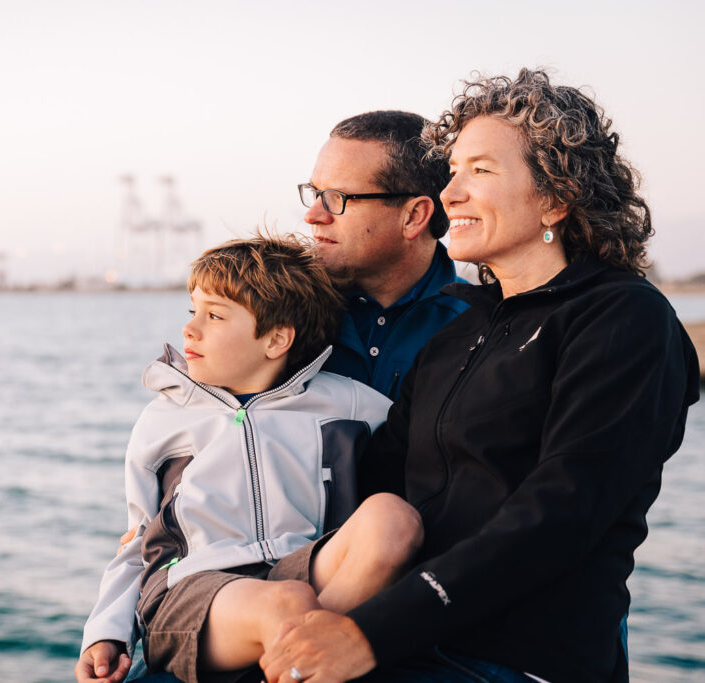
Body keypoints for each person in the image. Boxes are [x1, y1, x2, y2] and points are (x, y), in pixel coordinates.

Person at [259, 69, 700, 683]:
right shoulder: (460, 333)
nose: (450, 194)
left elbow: (562, 511)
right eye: (453, 171)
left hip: (515, 661)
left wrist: (369, 633)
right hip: (413, 644)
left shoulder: (624, 317)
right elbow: (373, 484)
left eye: (480, 171)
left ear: (556, 196)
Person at [76, 234, 423, 683]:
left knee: (393, 519)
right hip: (193, 588)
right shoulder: (163, 419)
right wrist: (106, 632)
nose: (190, 329)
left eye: (215, 316)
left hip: (300, 565)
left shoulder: (347, 404)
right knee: (288, 603)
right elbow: (138, 541)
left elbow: (425, 449)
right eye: (192, 312)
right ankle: (306, 658)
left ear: (276, 339)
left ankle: (297, 661)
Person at [301, 111, 470, 399]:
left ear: (414, 216)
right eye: (315, 193)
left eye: (337, 197)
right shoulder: (284, 310)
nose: (313, 215)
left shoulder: (480, 328)